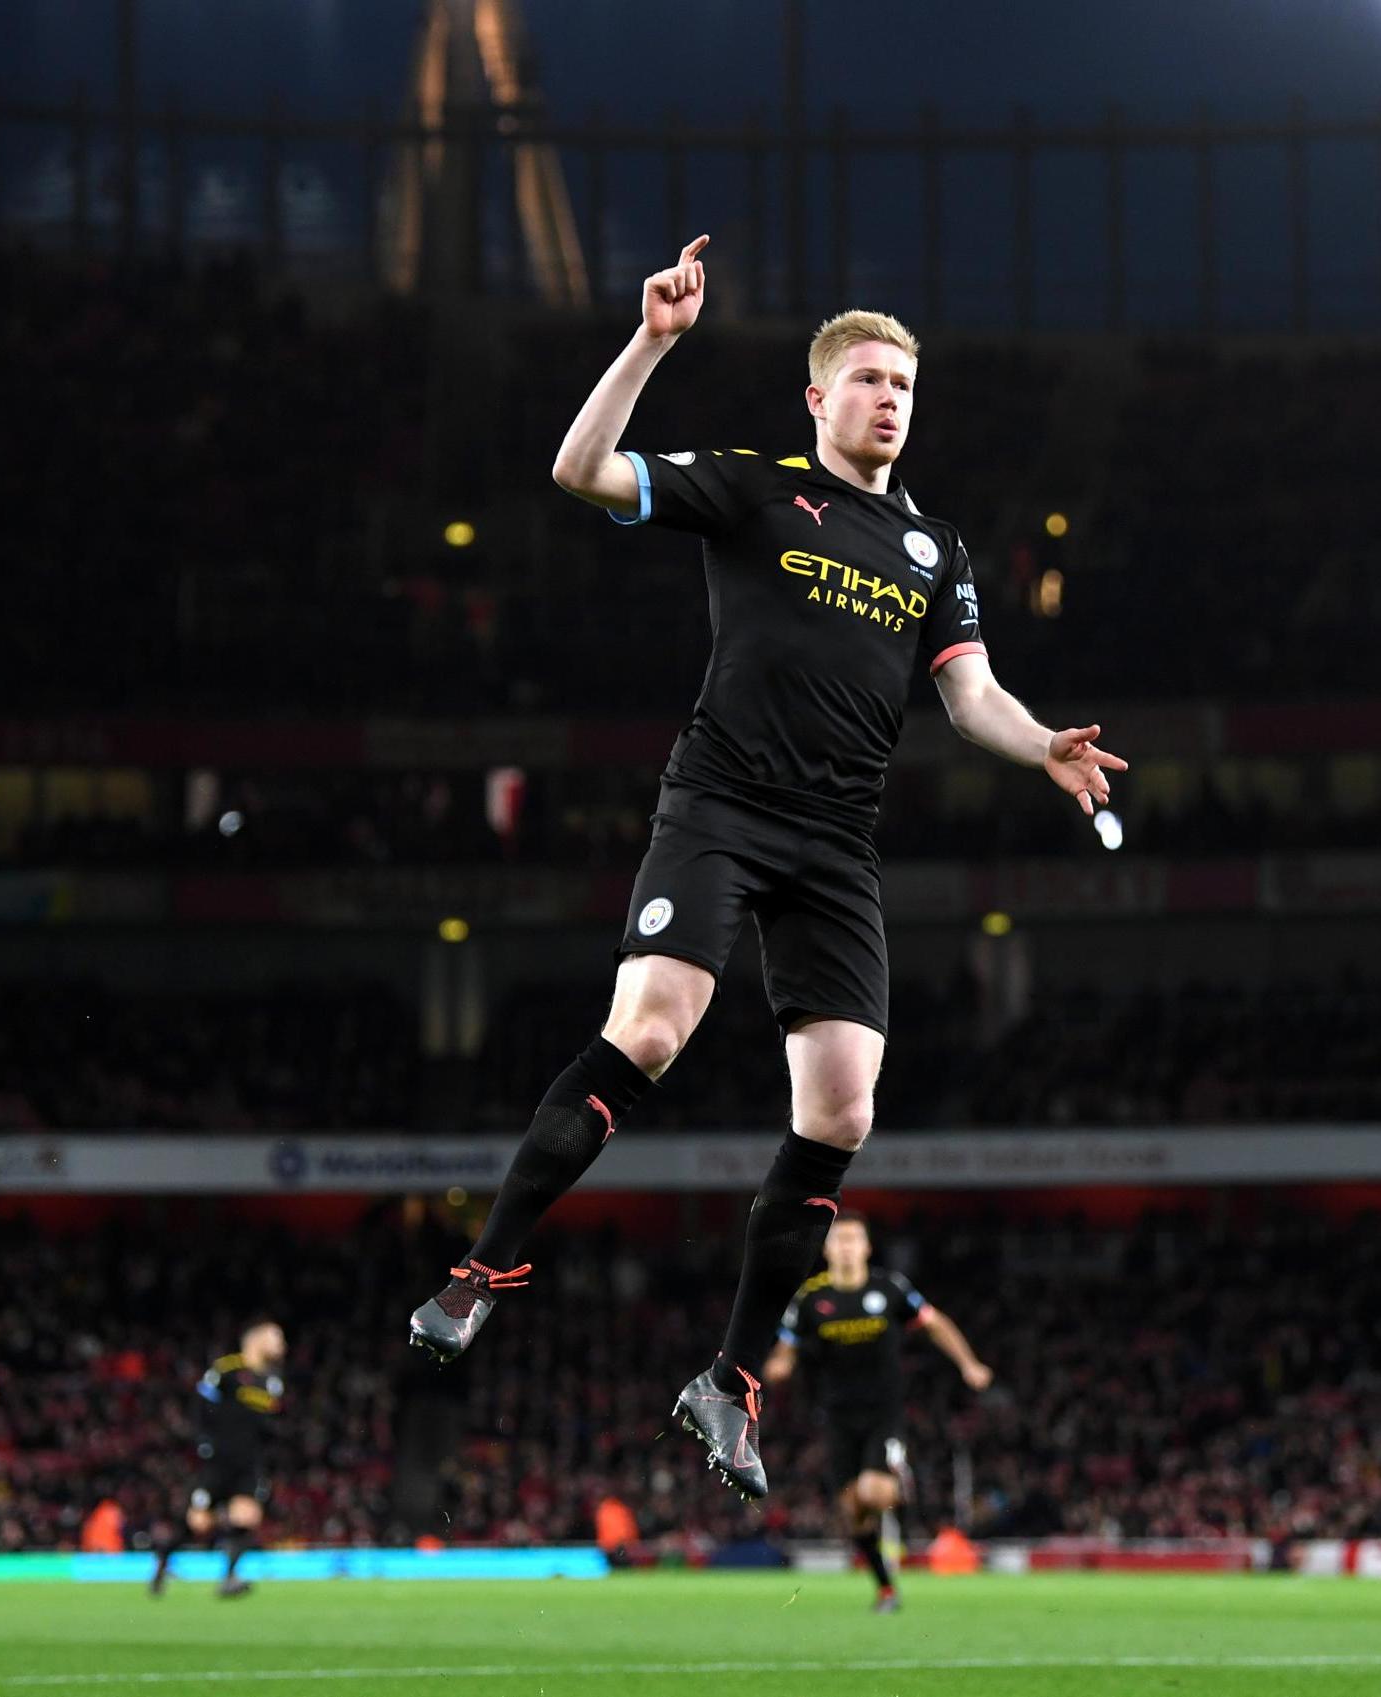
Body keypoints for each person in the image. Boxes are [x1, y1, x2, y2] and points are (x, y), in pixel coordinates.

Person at [408, 233, 1124, 1501]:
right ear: (818, 397)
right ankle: (483, 1271)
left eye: (904, 384)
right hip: (723, 805)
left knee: (842, 1112)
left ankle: (728, 1379)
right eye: (866, 379)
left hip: (836, 846)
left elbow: (972, 698)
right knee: (656, 1026)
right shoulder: (751, 489)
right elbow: (579, 470)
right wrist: (653, 343)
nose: (889, 398)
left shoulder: (935, 552)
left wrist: (1044, 746)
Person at [762, 1215, 991, 1610]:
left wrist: (968, 1363)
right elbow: (785, 1350)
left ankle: (901, 1480)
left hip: (883, 1413)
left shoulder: (889, 1289)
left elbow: (935, 1325)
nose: (847, 1247)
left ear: (866, 1248)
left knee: (872, 1491)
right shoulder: (811, 1299)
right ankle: (886, 1588)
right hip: (836, 1418)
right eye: (840, 1240)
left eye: (854, 1239)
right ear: (828, 1249)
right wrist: (779, 1367)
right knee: (853, 1513)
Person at [150, 1319, 286, 1598]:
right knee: (199, 1522)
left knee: (247, 1517)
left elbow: (267, 1423)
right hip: (218, 1458)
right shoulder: (227, 1369)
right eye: (276, 1337)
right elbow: (201, 1404)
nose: (282, 1344)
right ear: (255, 1339)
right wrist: (204, 1442)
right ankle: (163, 1561)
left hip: (249, 1462)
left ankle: (229, 1577)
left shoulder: (273, 1381)